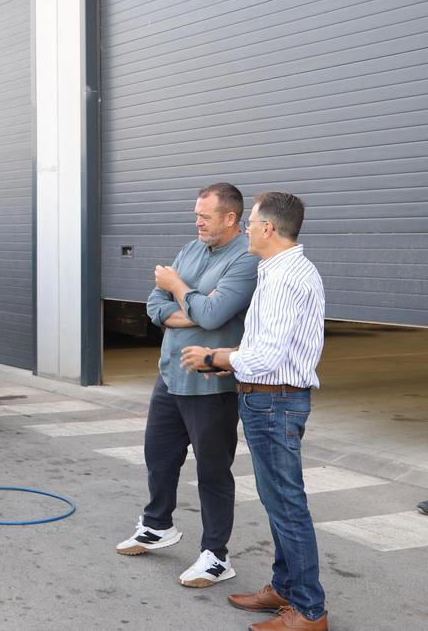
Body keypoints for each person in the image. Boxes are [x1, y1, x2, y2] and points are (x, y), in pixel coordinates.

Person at [181, 191, 328, 630]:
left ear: (267, 228)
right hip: (269, 395)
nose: (245, 228)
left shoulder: (285, 277)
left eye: (251, 223)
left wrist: (215, 358)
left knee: (285, 503)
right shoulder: (281, 269)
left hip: (275, 400)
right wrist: (233, 362)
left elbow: (267, 357)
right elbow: (265, 349)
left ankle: (308, 610)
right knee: (278, 499)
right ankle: (285, 587)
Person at [116, 183, 258, 590]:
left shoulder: (245, 260)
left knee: (213, 471)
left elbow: (214, 315)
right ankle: (157, 525)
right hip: (170, 375)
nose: (197, 221)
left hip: (211, 386)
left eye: (206, 216)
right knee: (159, 458)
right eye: (196, 213)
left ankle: (216, 556)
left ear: (230, 218)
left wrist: (179, 289)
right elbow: (153, 307)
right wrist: (193, 308)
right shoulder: (190, 249)